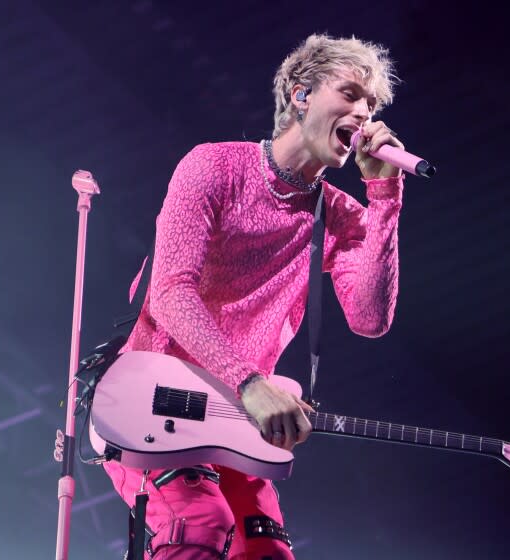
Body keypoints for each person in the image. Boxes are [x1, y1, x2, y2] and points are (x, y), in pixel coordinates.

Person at [103, 33, 406, 559]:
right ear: (301, 93)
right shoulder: (213, 166)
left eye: (373, 105)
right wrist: (249, 381)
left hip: (235, 420)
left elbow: (369, 319)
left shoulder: (338, 215)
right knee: (199, 524)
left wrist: (383, 197)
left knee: (267, 555)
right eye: (352, 94)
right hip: (153, 401)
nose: (364, 114)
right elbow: (171, 292)